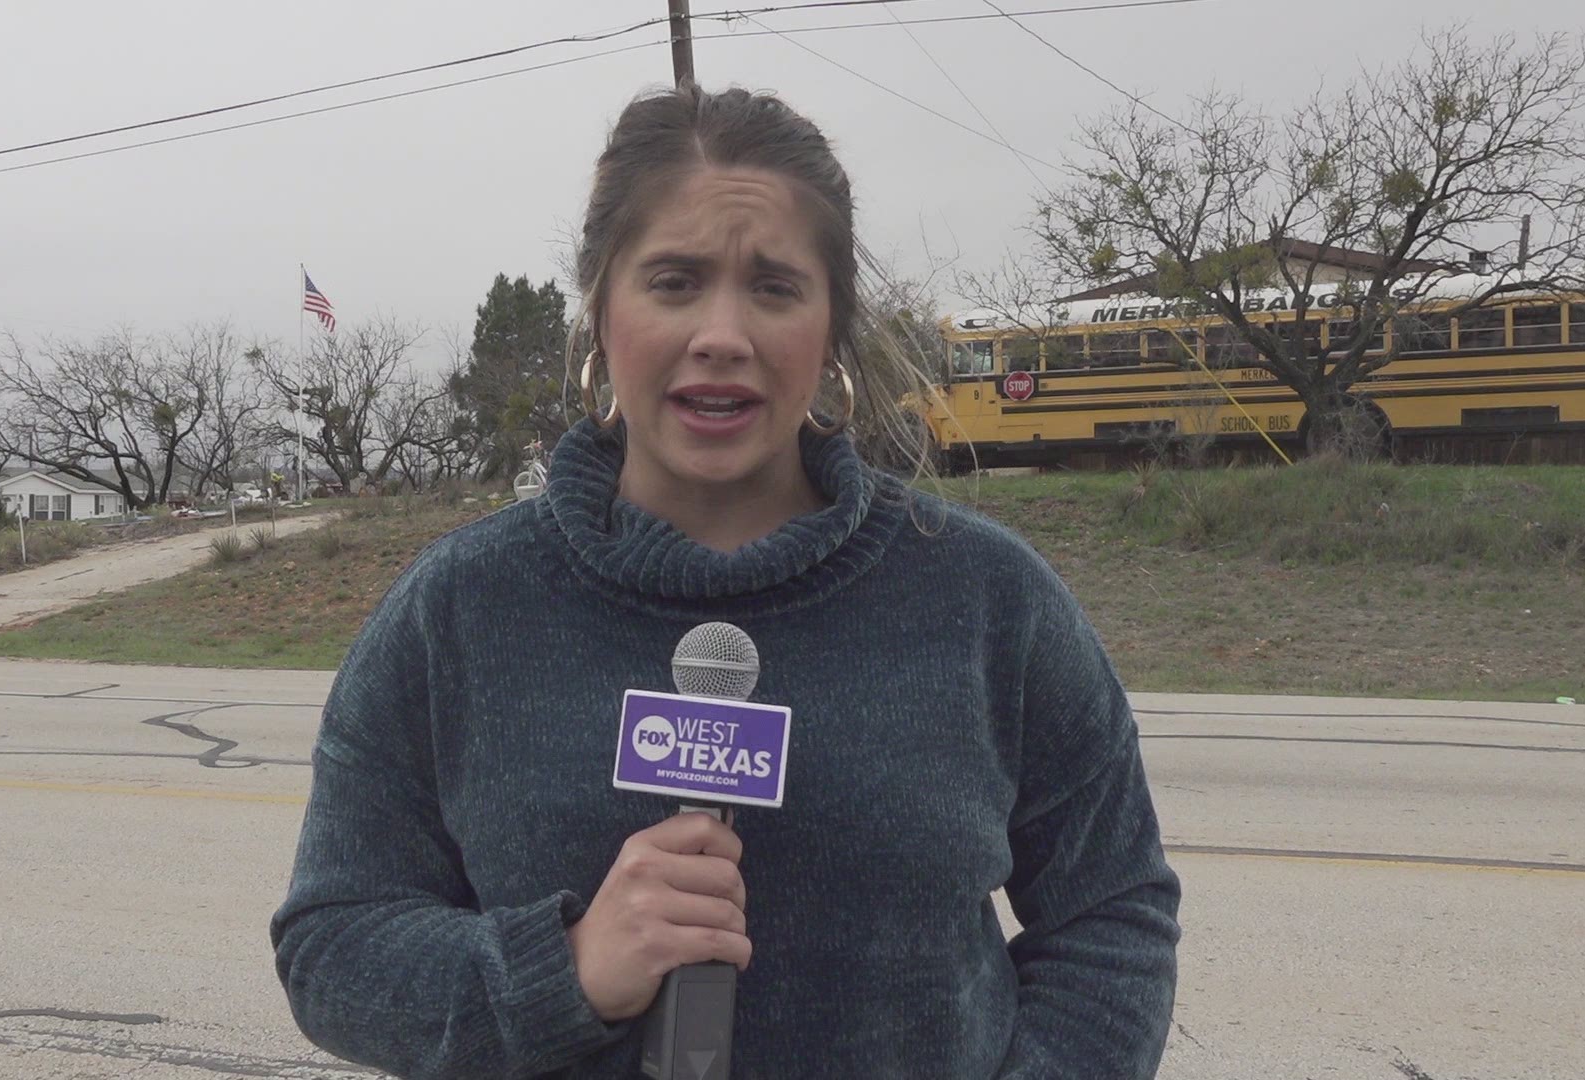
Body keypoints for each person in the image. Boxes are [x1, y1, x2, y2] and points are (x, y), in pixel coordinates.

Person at [271, 84, 1181, 1079]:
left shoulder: (986, 600)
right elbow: (334, 944)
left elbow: (1113, 911)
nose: (723, 332)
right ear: (601, 308)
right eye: (674, 280)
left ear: (831, 327)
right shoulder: (458, 609)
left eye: (775, 287)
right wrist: (560, 971)